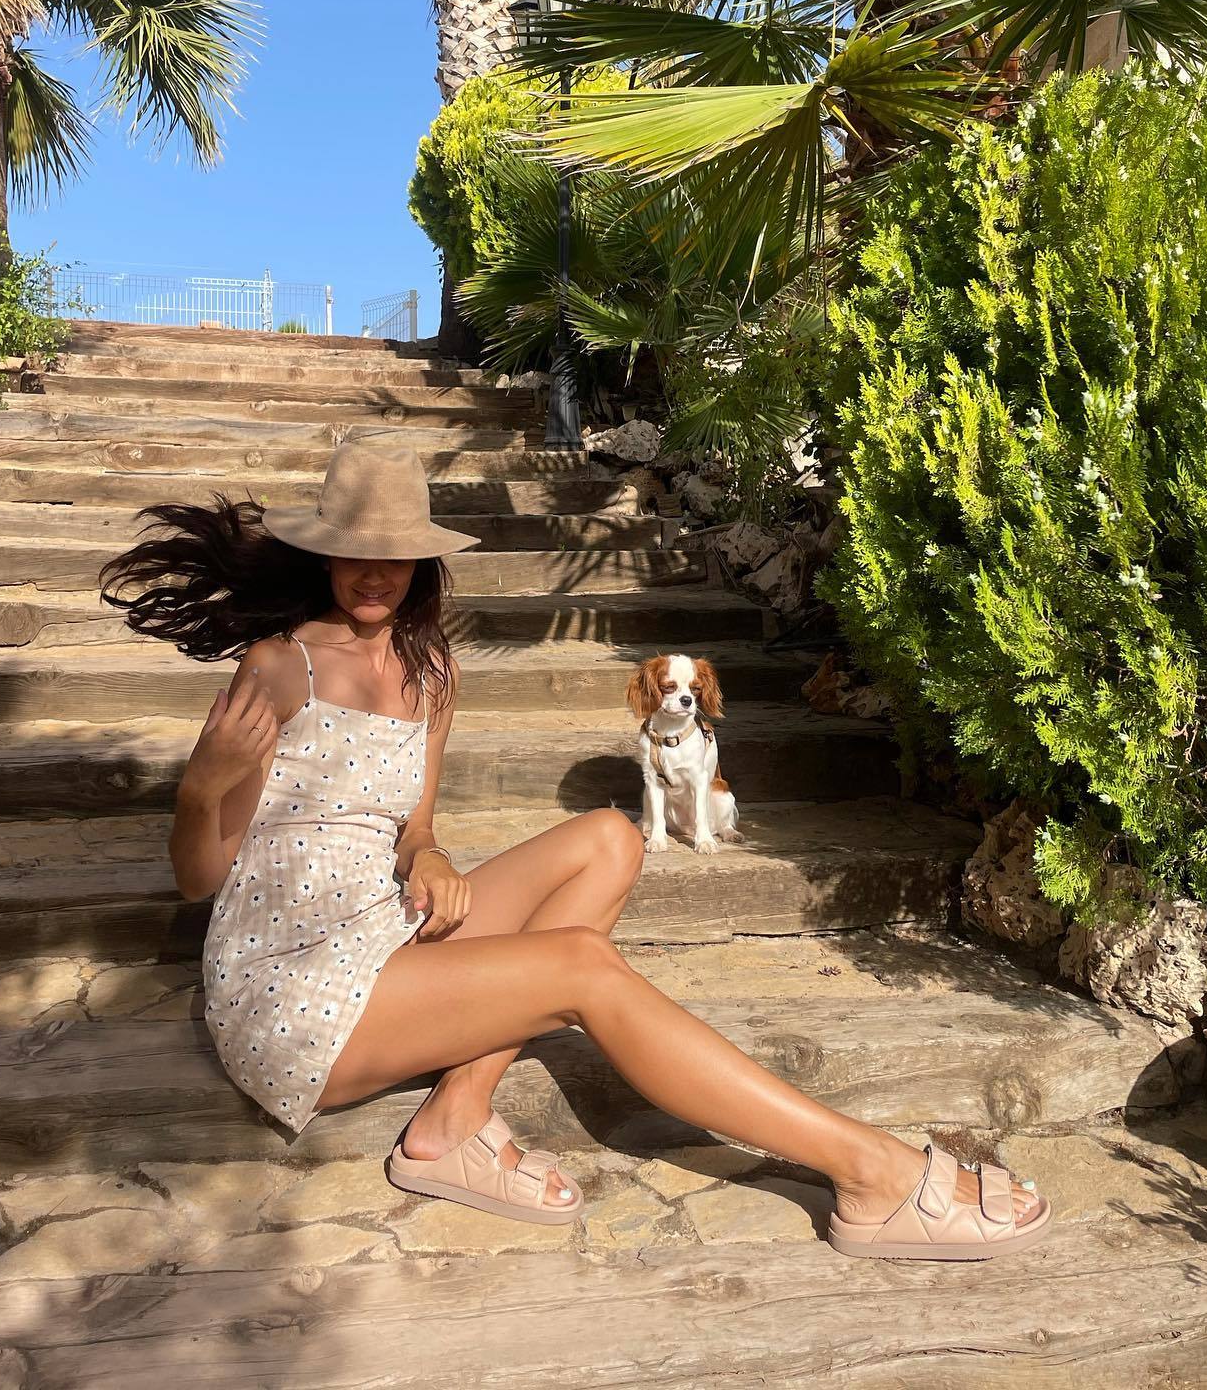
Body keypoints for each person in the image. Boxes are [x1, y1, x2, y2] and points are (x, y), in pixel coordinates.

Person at [101, 437, 1050, 1259]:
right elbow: (198, 879)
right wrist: (202, 787)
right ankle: (870, 1172)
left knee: (609, 839)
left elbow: (414, 826)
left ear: (425, 558)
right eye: (356, 550)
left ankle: (452, 1120)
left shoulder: (432, 673)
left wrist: (428, 856)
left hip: (381, 933)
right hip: (293, 986)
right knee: (583, 969)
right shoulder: (280, 667)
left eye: (397, 552)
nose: (376, 572)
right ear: (323, 552)